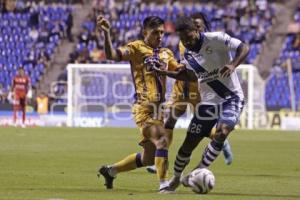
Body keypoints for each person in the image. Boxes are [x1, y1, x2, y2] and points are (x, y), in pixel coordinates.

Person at [153, 16, 249, 191]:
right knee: (188, 144)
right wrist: (165, 72)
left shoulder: (217, 38)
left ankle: (199, 170)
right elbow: (190, 76)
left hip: (231, 98)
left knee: (222, 132)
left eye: (189, 37)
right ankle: (176, 178)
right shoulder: (188, 54)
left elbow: (244, 47)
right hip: (208, 104)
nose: (187, 42)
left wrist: (233, 65)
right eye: (183, 40)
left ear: (197, 31)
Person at [96, 15, 181, 193]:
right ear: (145, 32)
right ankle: (164, 185)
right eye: (155, 32)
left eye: (162, 33)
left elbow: (179, 71)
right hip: (143, 109)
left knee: (149, 159)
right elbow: (113, 55)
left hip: (160, 110)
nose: (160, 36)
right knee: (162, 141)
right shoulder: (136, 48)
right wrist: (107, 34)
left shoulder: (167, 53)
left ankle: (111, 171)